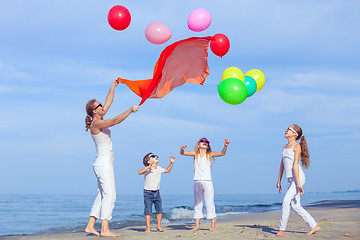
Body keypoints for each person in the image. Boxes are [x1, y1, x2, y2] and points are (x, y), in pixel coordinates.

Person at [84, 80, 139, 237]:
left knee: (101, 195)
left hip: (103, 163)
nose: (102, 106)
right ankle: (104, 229)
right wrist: (130, 110)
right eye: (99, 106)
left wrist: (112, 87)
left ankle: (90, 226)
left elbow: (109, 101)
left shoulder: (99, 118)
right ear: (94, 111)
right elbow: (114, 121)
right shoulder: (96, 123)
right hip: (103, 164)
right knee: (110, 195)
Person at [276, 124, 320, 236]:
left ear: (295, 134)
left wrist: (299, 184)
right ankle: (314, 226)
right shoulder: (285, 147)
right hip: (290, 179)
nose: (286, 130)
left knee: (286, 200)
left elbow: (295, 166)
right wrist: (279, 181)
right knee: (295, 206)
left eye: (289, 129)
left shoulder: (296, 147)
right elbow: (282, 165)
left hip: (298, 178)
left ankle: (282, 230)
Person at [180, 138, 229, 232]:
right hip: (197, 180)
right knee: (197, 203)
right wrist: (182, 149)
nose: (205, 143)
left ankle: (213, 225)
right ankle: (197, 226)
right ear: (198, 145)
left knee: (209, 202)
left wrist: (225, 145)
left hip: (208, 181)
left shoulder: (209, 154)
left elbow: (222, 153)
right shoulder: (195, 154)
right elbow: (182, 153)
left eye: (207, 142)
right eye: (203, 141)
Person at [138, 153, 175, 232]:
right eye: (152, 156)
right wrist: (148, 167)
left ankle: (158, 226)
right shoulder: (147, 169)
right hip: (148, 193)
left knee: (159, 210)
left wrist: (171, 163)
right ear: (148, 161)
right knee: (148, 211)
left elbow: (167, 170)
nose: (155, 157)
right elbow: (139, 172)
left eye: (155, 156)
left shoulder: (159, 168)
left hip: (157, 192)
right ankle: (148, 228)